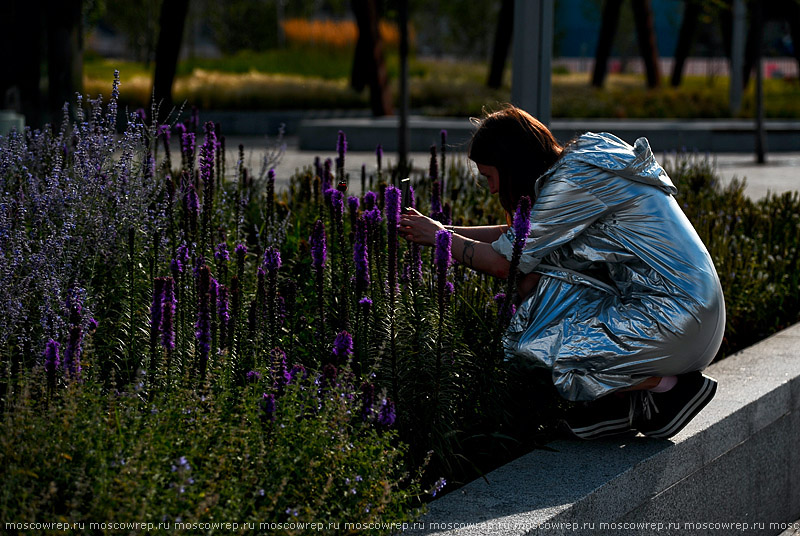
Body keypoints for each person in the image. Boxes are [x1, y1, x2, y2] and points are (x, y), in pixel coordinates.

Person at [398, 105, 725, 440]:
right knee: (538, 284)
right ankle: (622, 404)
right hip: (689, 311)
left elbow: (504, 262)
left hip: (677, 319)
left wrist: (438, 238)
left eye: (489, 177)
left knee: (537, 337)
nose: (492, 190)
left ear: (511, 165)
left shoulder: (573, 179)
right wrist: (437, 230)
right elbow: (512, 239)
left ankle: (669, 388)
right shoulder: (578, 168)